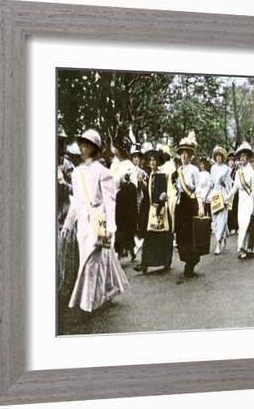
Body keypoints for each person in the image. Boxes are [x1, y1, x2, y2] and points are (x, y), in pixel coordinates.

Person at [60, 129, 129, 313]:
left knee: (94, 261)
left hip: (101, 222)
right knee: (97, 260)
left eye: (86, 144)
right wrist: (68, 224)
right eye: (81, 143)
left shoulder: (103, 172)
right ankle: (107, 292)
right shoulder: (76, 173)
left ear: (94, 148)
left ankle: (87, 303)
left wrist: (111, 227)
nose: (82, 147)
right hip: (83, 225)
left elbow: (110, 202)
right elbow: (76, 203)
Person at [133, 149, 173, 273]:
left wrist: (163, 198)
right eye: (150, 160)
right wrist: (143, 184)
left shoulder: (162, 174)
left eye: (154, 160)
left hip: (161, 208)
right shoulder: (150, 174)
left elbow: (163, 190)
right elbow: (150, 191)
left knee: (164, 236)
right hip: (152, 209)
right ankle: (145, 263)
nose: (152, 162)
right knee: (150, 236)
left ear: (158, 161)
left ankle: (165, 261)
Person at [173, 131, 205, 284]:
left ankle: (191, 262)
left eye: (187, 154)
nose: (184, 156)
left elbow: (198, 189)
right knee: (181, 233)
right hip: (180, 204)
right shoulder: (178, 171)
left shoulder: (194, 170)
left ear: (191, 155)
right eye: (182, 154)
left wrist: (200, 207)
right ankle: (185, 258)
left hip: (191, 203)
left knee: (190, 234)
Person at [110, 131, 138, 261]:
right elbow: (110, 179)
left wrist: (124, 181)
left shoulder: (129, 165)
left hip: (126, 199)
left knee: (127, 225)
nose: (115, 151)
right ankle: (119, 250)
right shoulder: (115, 163)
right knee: (118, 225)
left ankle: (129, 248)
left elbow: (133, 184)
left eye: (117, 148)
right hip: (115, 197)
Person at [229, 142, 254, 259]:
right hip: (241, 202)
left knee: (247, 224)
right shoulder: (238, 172)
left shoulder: (253, 172)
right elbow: (235, 188)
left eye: (244, 156)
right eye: (241, 156)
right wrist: (227, 197)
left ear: (248, 157)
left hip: (249, 201)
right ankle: (245, 247)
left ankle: (241, 247)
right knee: (242, 224)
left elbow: (253, 190)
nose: (242, 158)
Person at [210, 146, 233, 255]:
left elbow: (230, 183)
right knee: (215, 220)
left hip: (223, 193)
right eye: (217, 156)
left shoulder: (227, 169)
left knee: (222, 218)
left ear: (223, 157)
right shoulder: (213, 168)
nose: (218, 158)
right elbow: (211, 182)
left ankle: (218, 243)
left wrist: (225, 183)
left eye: (220, 156)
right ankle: (222, 236)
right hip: (215, 194)